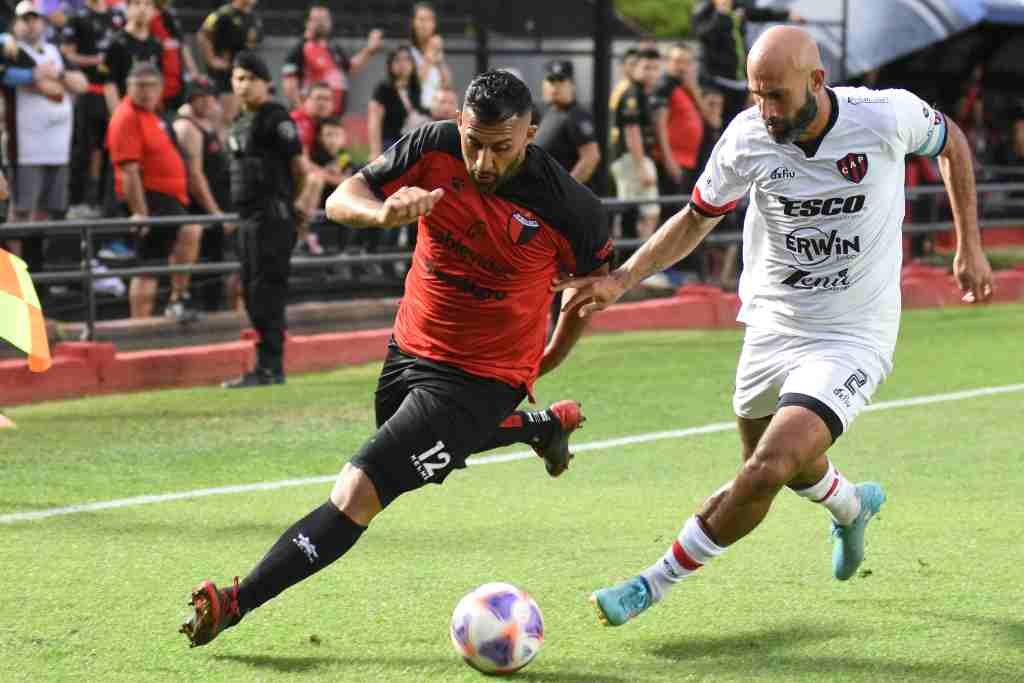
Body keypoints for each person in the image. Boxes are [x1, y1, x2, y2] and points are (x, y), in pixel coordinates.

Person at [553, 26, 993, 627]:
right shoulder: (747, 135)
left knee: (765, 469)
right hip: (769, 325)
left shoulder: (886, 115)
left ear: (817, 81)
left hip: (852, 334)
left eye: (777, 96)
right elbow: (695, 218)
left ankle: (650, 584)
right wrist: (622, 279)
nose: (766, 110)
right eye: (757, 94)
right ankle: (849, 504)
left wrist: (970, 244)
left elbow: (954, 143)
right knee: (768, 464)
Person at [180, 70, 613, 647]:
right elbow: (341, 199)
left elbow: (591, 287)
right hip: (411, 346)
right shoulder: (432, 147)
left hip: (486, 375)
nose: (483, 162)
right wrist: (383, 215)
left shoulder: (570, 207)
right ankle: (538, 428)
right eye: (474, 143)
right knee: (413, 449)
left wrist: (549, 357)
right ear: (459, 124)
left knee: (362, 487)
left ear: (530, 134)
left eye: (501, 148)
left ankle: (237, 600)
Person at [220, 52, 306, 388]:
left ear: (265, 82)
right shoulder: (239, 120)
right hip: (248, 219)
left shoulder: (276, 118)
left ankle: (271, 367)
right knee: (253, 292)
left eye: (249, 79)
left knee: (267, 292)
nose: (243, 85)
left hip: (271, 217)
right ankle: (264, 365)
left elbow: (302, 171)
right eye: (237, 78)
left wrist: (290, 205)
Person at [106, 62, 199, 320]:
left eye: (151, 87)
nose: (146, 93)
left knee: (190, 232)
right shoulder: (126, 116)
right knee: (148, 266)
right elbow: (128, 170)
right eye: (140, 87)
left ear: (160, 89)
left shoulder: (154, 115)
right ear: (128, 87)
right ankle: (140, 322)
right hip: (150, 198)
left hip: (168, 198)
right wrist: (140, 212)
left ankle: (178, 298)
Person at [6, 1, 88, 273]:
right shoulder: (11, 50)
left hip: (56, 144)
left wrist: (59, 75)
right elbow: (44, 86)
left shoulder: (53, 51)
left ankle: (36, 267)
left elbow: (80, 84)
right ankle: (16, 271)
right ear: (15, 22)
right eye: (25, 19)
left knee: (47, 211)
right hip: (25, 144)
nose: (30, 24)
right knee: (21, 210)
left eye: (35, 19)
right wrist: (35, 75)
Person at [61, 0, 126, 218]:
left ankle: (101, 201)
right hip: (87, 90)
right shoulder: (77, 17)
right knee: (83, 147)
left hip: (114, 91)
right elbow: (68, 54)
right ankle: (76, 201)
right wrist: (96, 60)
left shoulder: (118, 17)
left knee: (109, 148)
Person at [693, 0, 802, 125]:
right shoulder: (704, 10)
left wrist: (786, 15)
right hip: (717, 82)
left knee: (740, 123)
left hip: (739, 82)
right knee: (716, 126)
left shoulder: (738, 7)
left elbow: (760, 14)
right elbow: (703, 35)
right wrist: (720, 14)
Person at [174, 80, 233, 310]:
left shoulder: (206, 122)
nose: (212, 103)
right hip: (202, 208)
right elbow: (195, 177)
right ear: (193, 99)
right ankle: (200, 307)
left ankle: (212, 307)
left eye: (212, 98)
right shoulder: (188, 127)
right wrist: (215, 212)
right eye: (205, 98)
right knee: (205, 261)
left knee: (216, 260)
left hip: (217, 201)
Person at [281, 4, 382, 116]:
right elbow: (290, 86)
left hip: (333, 116)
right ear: (307, 22)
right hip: (311, 116)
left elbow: (350, 68)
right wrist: (302, 114)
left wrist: (369, 50)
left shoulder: (333, 48)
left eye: (325, 19)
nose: (321, 23)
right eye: (317, 19)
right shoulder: (299, 49)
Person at [610, 47, 662, 239]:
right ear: (635, 68)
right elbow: (632, 131)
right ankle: (642, 264)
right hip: (632, 158)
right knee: (648, 213)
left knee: (631, 215)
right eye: (646, 67)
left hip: (632, 158)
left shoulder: (640, 92)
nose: (651, 73)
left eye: (655, 68)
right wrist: (641, 167)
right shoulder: (633, 93)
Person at [535, 59, 600, 188]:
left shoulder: (576, 115)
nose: (555, 87)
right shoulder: (549, 113)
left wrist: (567, 189)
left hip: (566, 200)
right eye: (551, 81)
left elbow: (590, 158)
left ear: (572, 85)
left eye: (561, 81)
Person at [197, 0, 261, 128]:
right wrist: (212, 60)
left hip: (245, 73)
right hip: (226, 76)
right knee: (226, 117)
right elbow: (203, 35)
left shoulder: (254, 17)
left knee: (242, 117)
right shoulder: (223, 14)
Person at [102, 0, 161, 114]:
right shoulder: (117, 43)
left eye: (148, 4)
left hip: (147, 113)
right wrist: (118, 116)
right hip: (125, 112)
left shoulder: (156, 44)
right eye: (137, 3)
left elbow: (157, 81)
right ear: (127, 8)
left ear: (154, 11)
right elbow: (110, 84)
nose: (142, 9)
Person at [408, 2, 451, 111]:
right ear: (413, 23)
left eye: (429, 20)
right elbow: (414, 83)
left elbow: (447, 85)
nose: (425, 24)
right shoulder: (407, 51)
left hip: (437, 113)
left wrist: (440, 61)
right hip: (416, 113)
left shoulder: (436, 50)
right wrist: (430, 54)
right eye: (421, 19)